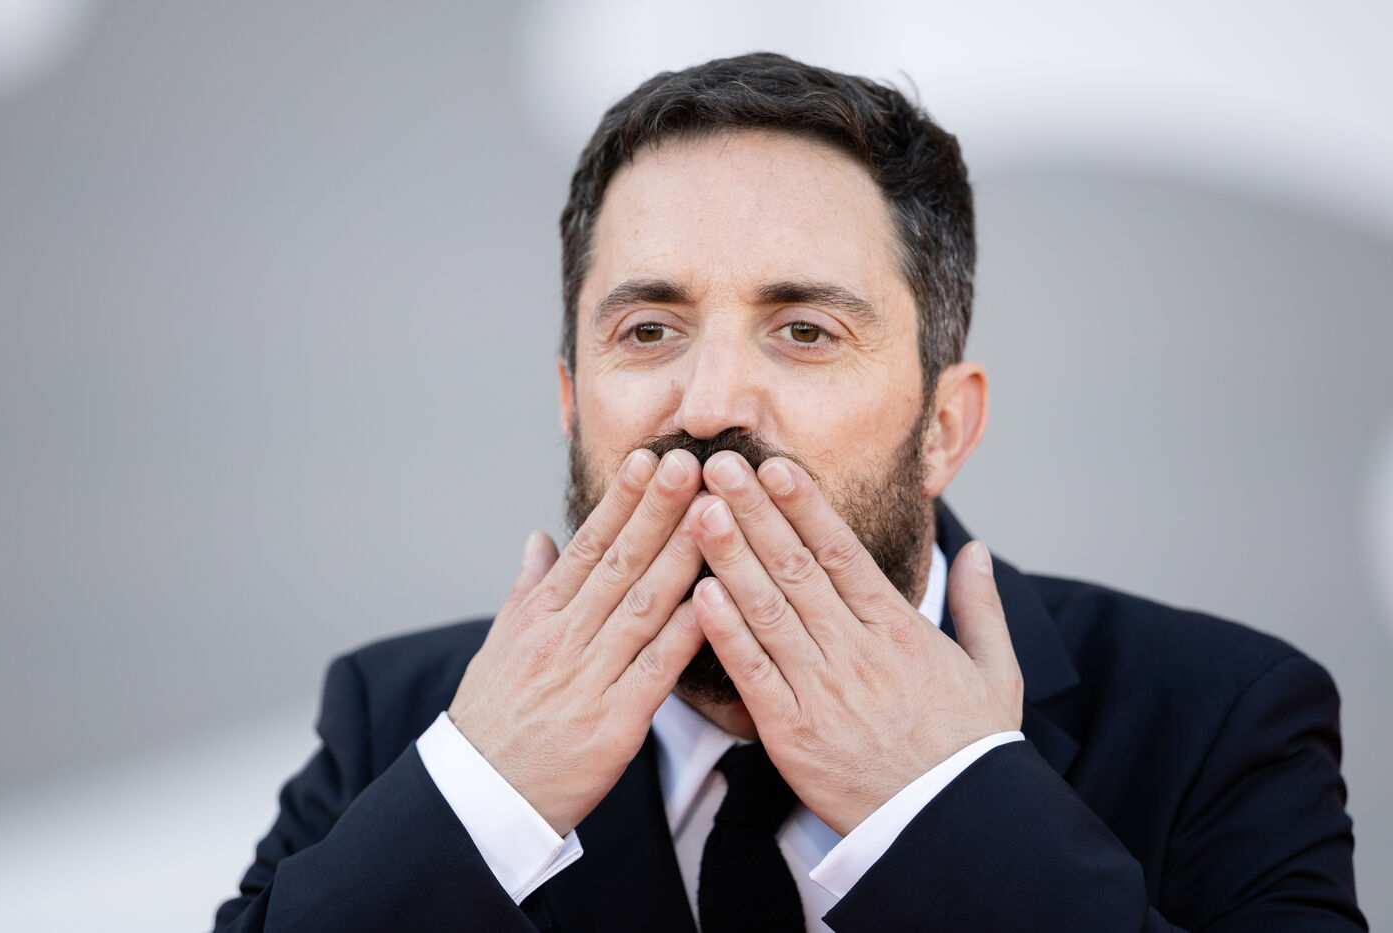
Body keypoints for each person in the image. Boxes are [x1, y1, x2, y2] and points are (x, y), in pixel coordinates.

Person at [212, 53, 1365, 932]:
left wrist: (942, 806)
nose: (709, 400)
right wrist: (488, 798)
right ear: (570, 400)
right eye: (647, 329)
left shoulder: (1215, 716)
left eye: (804, 329)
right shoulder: (402, 724)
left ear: (943, 426)